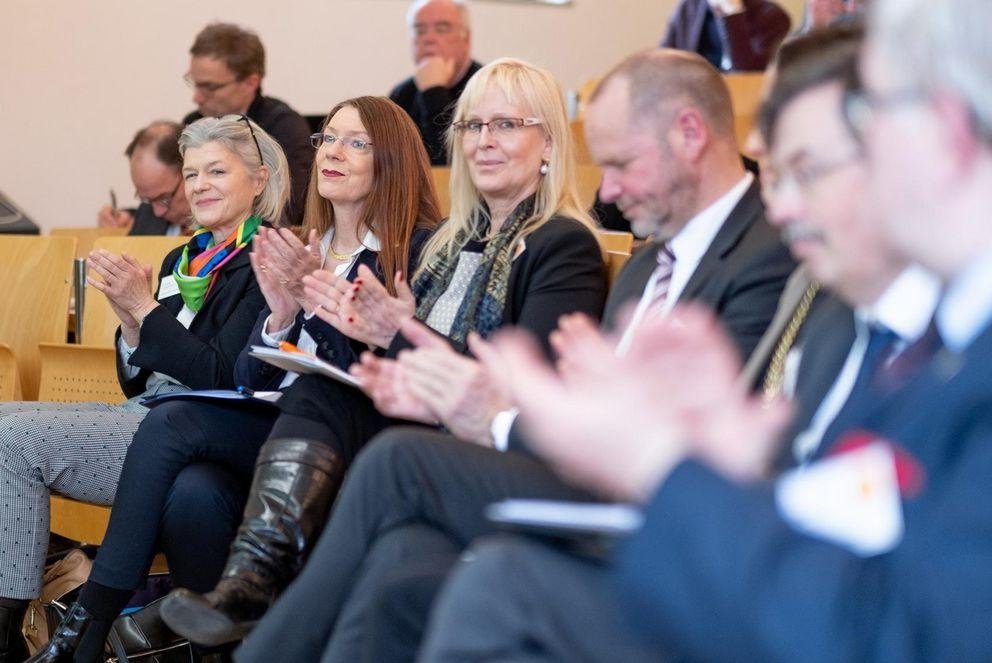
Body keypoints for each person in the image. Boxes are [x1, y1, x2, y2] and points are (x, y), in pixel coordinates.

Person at [422, 0, 992, 659]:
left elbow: (887, 630)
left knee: (500, 583)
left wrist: (664, 461)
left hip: (763, 614)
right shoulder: (915, 331)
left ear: (946, 131)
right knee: (438, 574)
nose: (779, 200)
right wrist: (734, 452)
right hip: (755, 591)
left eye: (806, 166)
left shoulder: (929, 338)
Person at [231, 48, 797, 663]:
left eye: (621, 163)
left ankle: (258, 644)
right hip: (555, 459)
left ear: (689, 135)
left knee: (398, 463)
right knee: (402, 560)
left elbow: (709, 430)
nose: (607, 188)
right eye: (472, 126)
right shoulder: (638, 275)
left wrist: (462, 384)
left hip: (632, 498)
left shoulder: (758, 254)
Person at [159, 57, 609, 648]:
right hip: (414, 416)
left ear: (548, 142)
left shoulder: (560, 243)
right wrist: (312, 311)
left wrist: (391, 333)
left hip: (482, 443)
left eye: (506, 125)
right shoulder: (454, 244)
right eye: (472, 127)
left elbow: (531, 394)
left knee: (195, 431)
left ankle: (256, 608)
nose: (484, 141)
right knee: (310, 396)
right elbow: (387, 356)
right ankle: (252, 576)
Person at [42, 96, 441, 663]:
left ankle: (91, 622)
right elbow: (248, 376)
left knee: (174, 418)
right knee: (194, 491)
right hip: (270, 422)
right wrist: (280, 314)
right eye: (327, 138)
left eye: (356, 142)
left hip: (347, 433)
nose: (333, 152)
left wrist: (314, 312)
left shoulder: (411, 251)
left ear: (392, 160)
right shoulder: (303, 246)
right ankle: (215, 651)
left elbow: (380, 369)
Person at [8, 115, 288, 663]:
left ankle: (20, 631)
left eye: (216, 171)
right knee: (6, 422)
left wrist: (143, 308)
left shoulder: (267, 261)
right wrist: (133, 325)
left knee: (6, 430)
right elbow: (137, 377)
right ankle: (26, 624)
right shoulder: (180, 258)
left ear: (258, 180)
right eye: (191, 173)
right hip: (148, 416)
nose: (199, 184)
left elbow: (220, 374)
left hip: (196, 429)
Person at [183, 22, 312, 226]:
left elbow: (291, 206)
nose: (197, 98)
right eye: (194, 83)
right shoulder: (193, 123)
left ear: (250, 82)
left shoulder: (284, 127)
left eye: (209, 87)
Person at [389, 0, 482, 165]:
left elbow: (456, 161)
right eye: (420, 30)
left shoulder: (486, 86)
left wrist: (433, 92)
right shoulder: (402, 95)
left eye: (442, 29)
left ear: (465, 39)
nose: (429, 39)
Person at [97, 121, 192, 235]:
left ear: (191, 173)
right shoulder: (147, 216)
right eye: (147, 200)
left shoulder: (217, 228)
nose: (158, 213)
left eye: (164, 199)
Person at [662, 0, 791, 71]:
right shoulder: (689, 8)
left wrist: (733, 15)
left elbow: (748, 76)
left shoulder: (772, 16)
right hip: (692, 99)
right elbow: (664, 65)